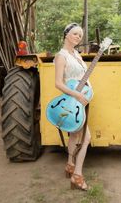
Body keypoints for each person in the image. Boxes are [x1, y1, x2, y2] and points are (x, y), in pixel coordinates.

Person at [54, 23, 91, 191]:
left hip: (80, 101)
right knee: (86, 138)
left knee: (75, 135)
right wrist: (77, 94)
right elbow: (58, 84)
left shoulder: (76, 54)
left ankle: (70, 164)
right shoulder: (61, 56)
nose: (78, 37)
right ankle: (77, 175)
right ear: (66, 34)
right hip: (72, 101)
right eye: (75, 34)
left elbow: (81, 76)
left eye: (80, 36)